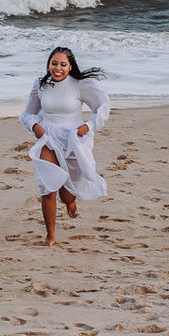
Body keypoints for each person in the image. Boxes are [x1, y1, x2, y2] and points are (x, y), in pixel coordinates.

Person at [18, 47, 110, 246]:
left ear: (70, 66)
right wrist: (35, 127)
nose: (57, 68)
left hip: (73, 139)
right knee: (48, 187)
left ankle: (70, 201)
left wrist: (89, 125)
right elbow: (28, 114)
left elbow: (102, 106)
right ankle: (50, 235)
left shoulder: (80, 85)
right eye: (54, 63)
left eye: (62, 64)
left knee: (67, 194)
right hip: (47, 138)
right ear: (48, 64)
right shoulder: (41, 85)